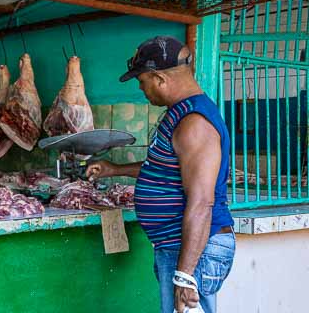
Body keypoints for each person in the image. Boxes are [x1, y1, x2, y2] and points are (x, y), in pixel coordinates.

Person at [86, 36, 235, 313]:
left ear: (159, 78)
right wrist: (115, 170)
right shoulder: (179, 114)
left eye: (142, 82)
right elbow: (165, 169)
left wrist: (185, 274)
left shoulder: (194, 123)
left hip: (193, 250)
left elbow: (202, 201)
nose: (142, 89)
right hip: (178, 247)